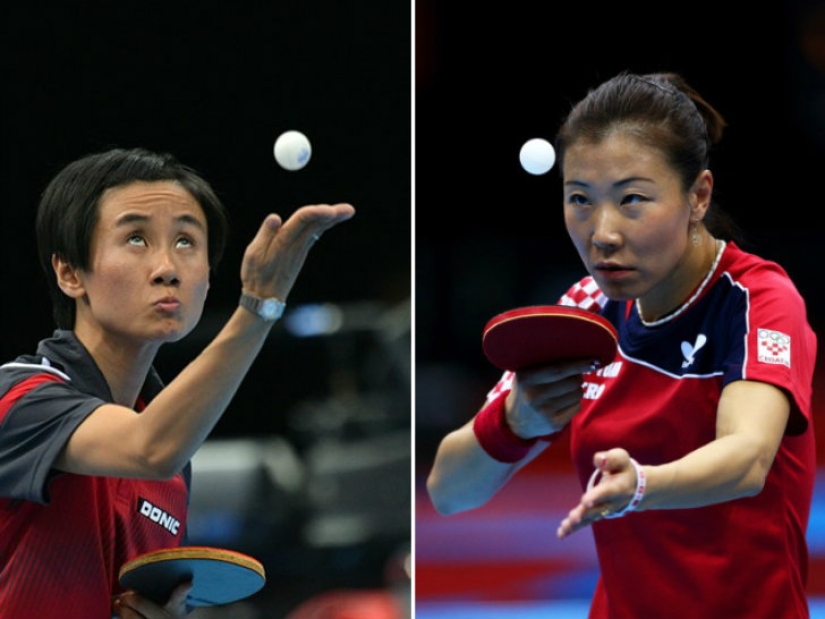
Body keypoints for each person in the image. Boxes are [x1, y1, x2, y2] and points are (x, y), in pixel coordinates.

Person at [426, 71, 818, 619]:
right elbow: (448, 491)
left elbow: (747, 457)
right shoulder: (584, 311)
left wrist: (643, 486)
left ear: (698, 195)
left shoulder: (756, 300)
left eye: (632, 199)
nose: (602, 232)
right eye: (580, 199)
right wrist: (515, 421)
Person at [0, 147, 355, 619]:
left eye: (186, 241)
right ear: (69, 272)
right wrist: (259, 306)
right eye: (136, 239)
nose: (167, 267)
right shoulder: (19, 398)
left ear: (208, 277)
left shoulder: (171, 457)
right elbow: (148, 448)